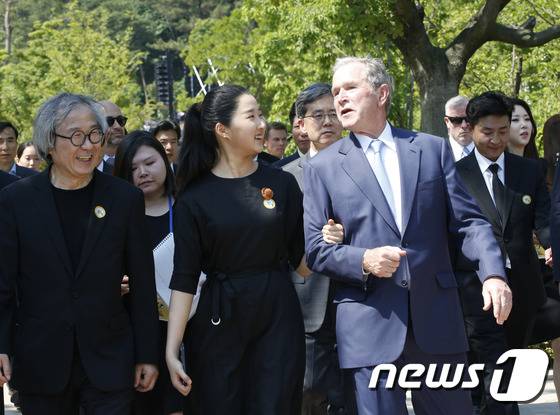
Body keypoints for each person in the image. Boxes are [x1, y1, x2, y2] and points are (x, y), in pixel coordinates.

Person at [303, 56, 511, 415]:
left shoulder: (431, 149)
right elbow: (315, 249)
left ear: (382, 93)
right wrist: (363, 260)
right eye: (336, 91)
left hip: (437, 320)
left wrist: (492, 273)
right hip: (369, 325)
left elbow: (469, 223)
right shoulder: (322, 167)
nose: (340, 98)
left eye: (350, 88)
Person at [0, 93, 160, 415]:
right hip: (41, 358)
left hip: (109, 358)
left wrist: (147, 353)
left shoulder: (124, 199)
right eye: (75, 136)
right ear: (49, 143)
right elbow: (3, 283)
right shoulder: (16, 201)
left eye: (94, 135)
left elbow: (143, 283)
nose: (88, 146)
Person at [165, 84, 306, 415]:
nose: (262, 124)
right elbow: (184, 278)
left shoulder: (283, 184)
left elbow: (302, 263)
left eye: (261, 115)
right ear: (222, 130)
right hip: (218, 321)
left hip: (277, 318)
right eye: (252, 116)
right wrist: (172, 350)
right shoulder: (193, 197)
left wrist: (330, 239)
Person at [453, 91, 551, 413]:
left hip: (522, 289)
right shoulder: (454, 174)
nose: (495, 140)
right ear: (470, 128)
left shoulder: (529, 171)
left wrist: (552, 245)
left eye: (502, 130)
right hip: (474, 290)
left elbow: (545, 222)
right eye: (487, 132)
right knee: (491, 374)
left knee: (509, 374)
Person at [283, 83, 352, 415]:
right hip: (305, 300)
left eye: (334, 114)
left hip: (359, 296)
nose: (327, 121)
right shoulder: (283, 177)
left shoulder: (364, 165)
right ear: (301, 124)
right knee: (309, 393)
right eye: (318, 115)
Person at [113, 131, 183, 415]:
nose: (142, 173)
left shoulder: (187, 208)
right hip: (134, 331)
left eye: (149, 163)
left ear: (165, 162)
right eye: (132, 168)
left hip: (183, 327)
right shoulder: (116, 216)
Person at [274, 103, 310, 168]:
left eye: (306, 125)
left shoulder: (332, 163)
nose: (303, 133)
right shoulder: (279, 169)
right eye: (297, 126)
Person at [98, 100, 128, 174]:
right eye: (109, 121)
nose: (117, 126)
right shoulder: (86, 164)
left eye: (120, 120)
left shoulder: (135, 157)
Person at [444, 96, 474, 161]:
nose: (464, 125)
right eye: (457, 120)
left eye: (468, 119)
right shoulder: (435, 155)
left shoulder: (491, 151)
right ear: (447, 122)